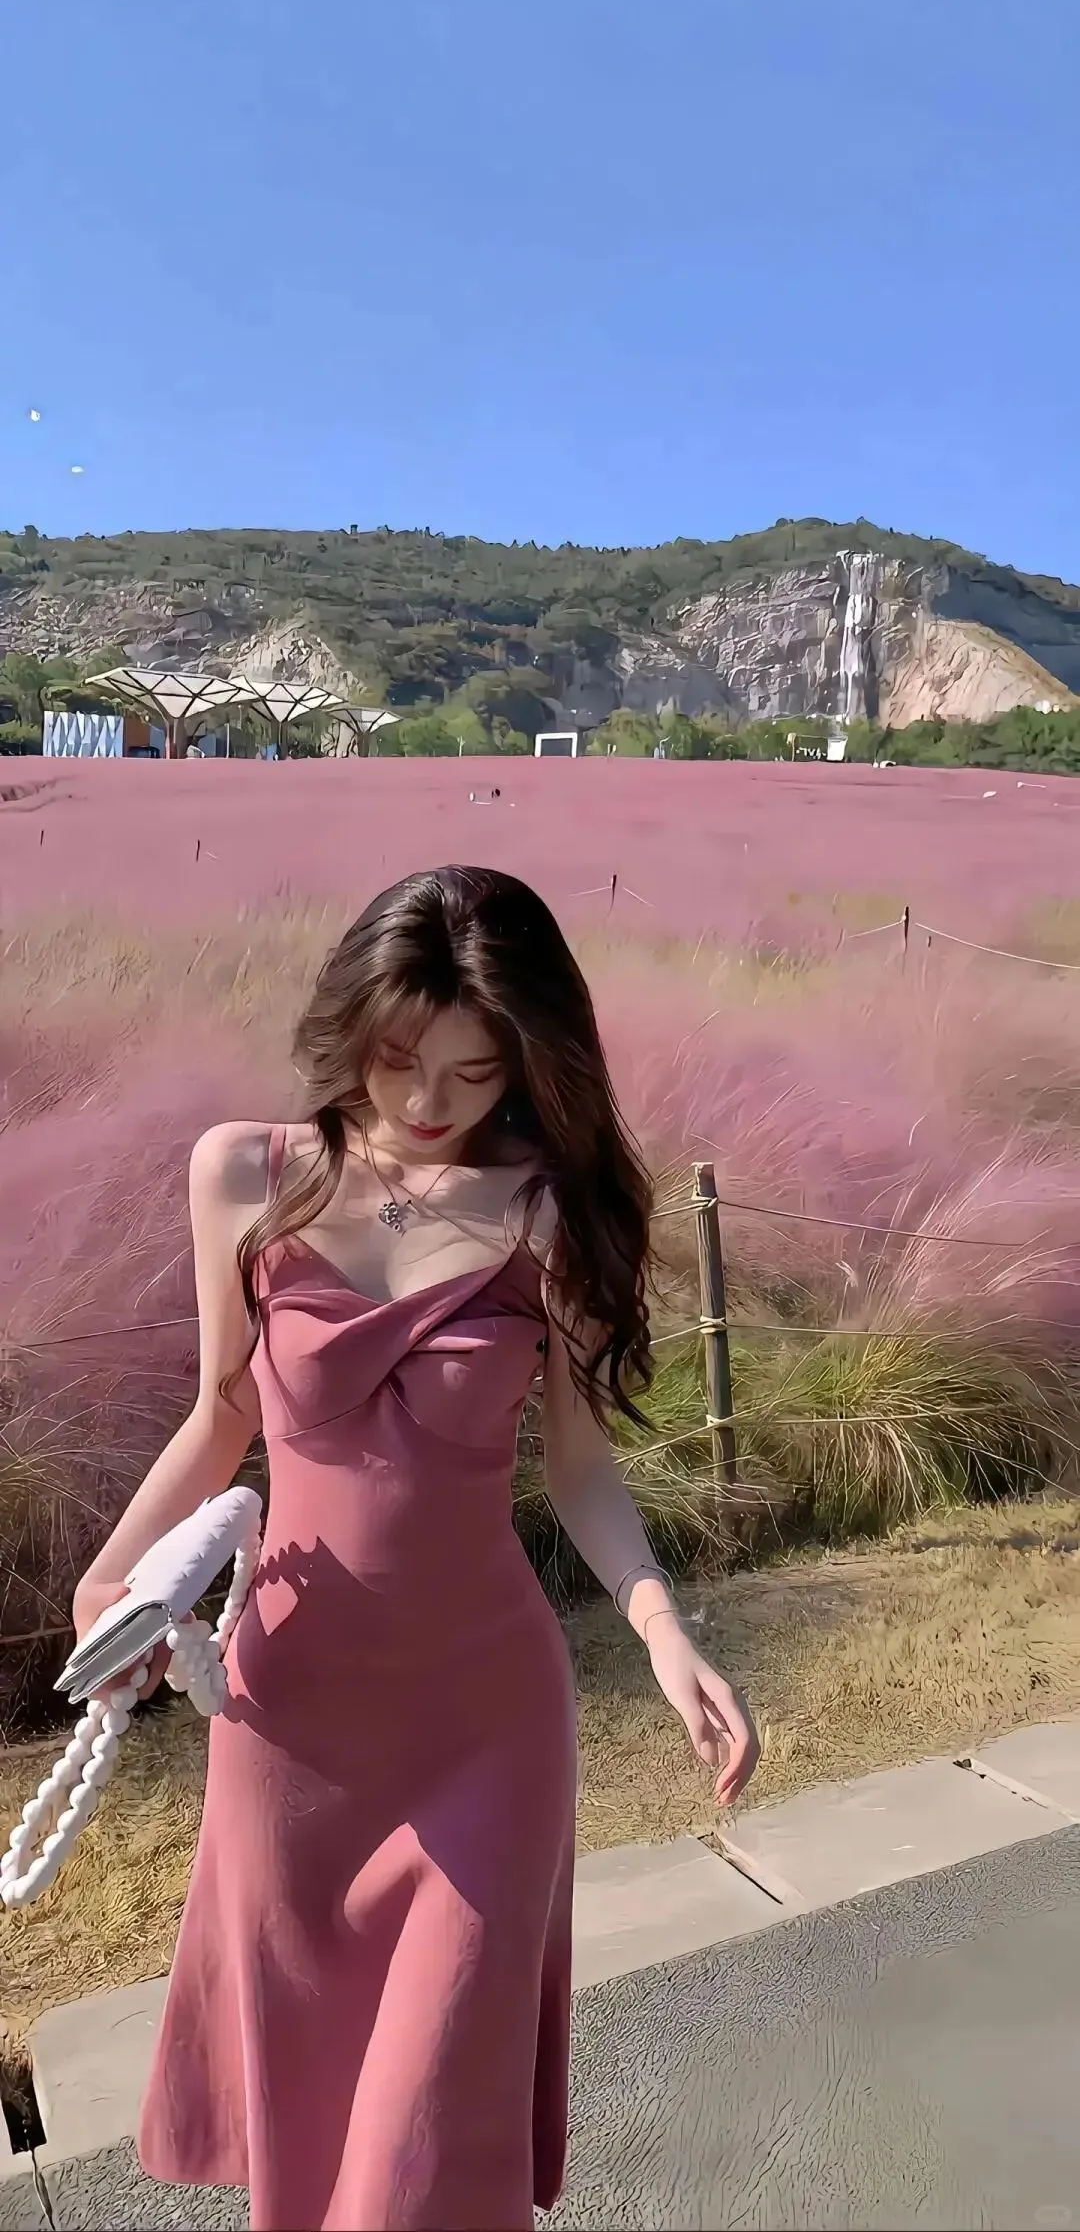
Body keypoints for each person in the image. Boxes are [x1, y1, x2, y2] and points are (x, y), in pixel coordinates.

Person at [72, 864, 759, 2232]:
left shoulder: (544, 1213)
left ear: (525, 1060)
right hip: (292, 1724)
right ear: (351, 1029)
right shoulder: (244, 1175)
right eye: (397, 1061)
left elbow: (579, 1468)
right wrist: (113, 1583)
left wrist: (663, 1629)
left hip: (484, 1735)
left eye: (474, 1071)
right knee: (319, 2128)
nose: (430, 1102)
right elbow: (220, 1417)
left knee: (422, 2158)